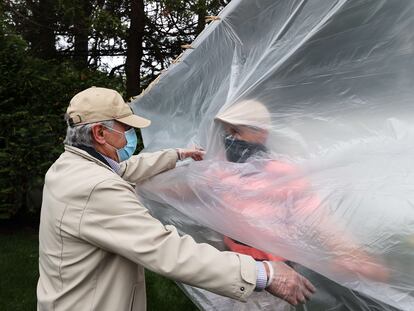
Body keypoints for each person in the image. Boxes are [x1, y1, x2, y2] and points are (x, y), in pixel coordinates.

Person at [37, 87, 316, 311]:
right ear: (100, 133)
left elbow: (126, 168)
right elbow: (166, 251)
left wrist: (177, 155)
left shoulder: (70, 167)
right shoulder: (96, 187)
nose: (129, 138)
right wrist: (263, 273)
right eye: (125, 129)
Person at [214, 99, 390, 282]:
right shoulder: (219, 169)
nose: (229, 138)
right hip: (232, 264)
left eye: (236, 131)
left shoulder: (281, 173)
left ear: (262, 133)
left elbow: (314, 213)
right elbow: (194, 193)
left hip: (277, 271)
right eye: (225, 131)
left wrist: (349, 252)